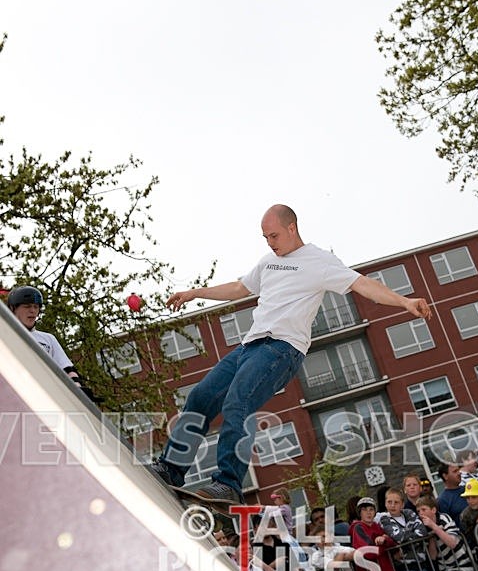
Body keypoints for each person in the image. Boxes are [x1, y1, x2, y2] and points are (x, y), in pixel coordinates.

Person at [150, 205, 432, 503]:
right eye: (265, 237)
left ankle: (229, 483)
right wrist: (195, 292)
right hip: (250, 346)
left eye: (273, 235)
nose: (270, 243)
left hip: (282, 349)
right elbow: (238, 288)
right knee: (201, 397)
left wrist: (404, 301)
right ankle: (171, 469)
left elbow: (362, 284)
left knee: (238, 401)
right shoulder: (268, 262)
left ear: (292, 228)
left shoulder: (320, 261)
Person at [7, 285, 83, 385]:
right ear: (13, 309)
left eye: (36, 307)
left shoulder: (48, 339)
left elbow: (67, 368)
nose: (33, 311)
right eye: (27, 306)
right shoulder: (5, 335)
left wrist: (78, 387)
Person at [437, 462, 468, 529]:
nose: (459, 473)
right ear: (445, 476)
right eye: (455, 471)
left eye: (458, 470)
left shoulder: (468, 488)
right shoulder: (442, 500)